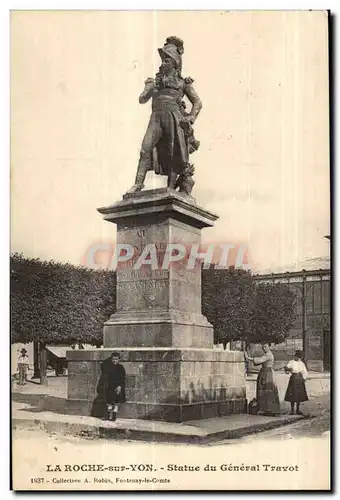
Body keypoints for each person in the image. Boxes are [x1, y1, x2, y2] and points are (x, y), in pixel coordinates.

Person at [126, 36, 202, 194]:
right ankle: (137, 185)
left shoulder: (182, 83)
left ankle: (171, 188)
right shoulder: (155, 82)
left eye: (167, 60)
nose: (163, 63)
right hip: (156, 118)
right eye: (163, 60)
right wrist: (148, 87)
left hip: (174, 117)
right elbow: (142, 99)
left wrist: (191, 118)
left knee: (174, 153)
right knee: (144, 149)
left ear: (175, 63)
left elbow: (197, 102)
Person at [245, 343, 280, 416]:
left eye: (265, 347)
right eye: (263, 347)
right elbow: (259, 361)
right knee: (263, 390)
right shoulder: (267, 354)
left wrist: (248, 357)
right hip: (264, 372)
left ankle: (270, 409)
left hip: (267, 373)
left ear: (269, 347)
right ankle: (265, 409)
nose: (264, 348)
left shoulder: (268, 355)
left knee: (267, 389)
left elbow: (259, 360)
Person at [91, 352, 126, 421]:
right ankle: (108, 416)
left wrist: (119, 386)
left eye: (116, 359)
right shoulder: (109, 367)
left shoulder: (121, 367)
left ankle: (114, 416)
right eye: (113, 359)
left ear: (119, 360)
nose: (114, 361)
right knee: (109, 402)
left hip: (118, 387)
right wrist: (109, 358)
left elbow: (122, 378)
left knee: (116, 402)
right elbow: (103, 364)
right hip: (110, 387)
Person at [284, 350, 308, 415]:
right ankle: (292, 410)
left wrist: (304, 378)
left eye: (300, 358)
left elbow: (305, 372)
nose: (298, 359)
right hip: (293, 379)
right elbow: (287, 370)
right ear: (295, 356)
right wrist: (287, 369)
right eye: (297, 357)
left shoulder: (302, 363)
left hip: (300, 379)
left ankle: (298, 409)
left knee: (299, 395)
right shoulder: (291, 362)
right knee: (292, 394)